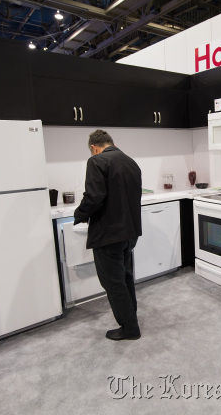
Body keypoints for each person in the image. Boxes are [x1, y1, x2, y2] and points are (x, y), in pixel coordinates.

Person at [74, 129, 142, 341]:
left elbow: (93, 197)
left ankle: (130, 328)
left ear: (94, 148)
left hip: (109, 234)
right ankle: (131, 317)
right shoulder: (131, 162)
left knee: (113, 282)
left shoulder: (96, 162)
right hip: (129, 233)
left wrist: (79, 214)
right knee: (126, 277)